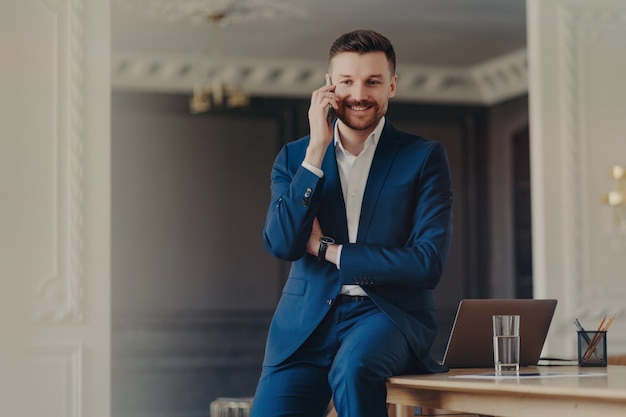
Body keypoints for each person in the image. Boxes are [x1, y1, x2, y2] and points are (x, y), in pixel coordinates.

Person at [250, 29, 453, 417]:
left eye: (373, 81)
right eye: (346, 81)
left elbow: (427, 263)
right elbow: (282, 243)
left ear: (391, 85)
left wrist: (330, 250)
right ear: (328, 86)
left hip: (386, 316)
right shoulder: (295, 157)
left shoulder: (424, 157)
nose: (359, 94)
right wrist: (315, 151)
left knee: (354, 370)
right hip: (304, 325)